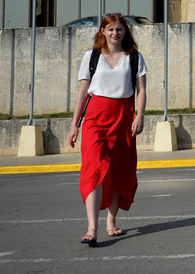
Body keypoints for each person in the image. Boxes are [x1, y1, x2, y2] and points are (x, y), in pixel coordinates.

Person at [68, 13, 147, 247]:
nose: (115, 33)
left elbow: (141, 90)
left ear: (125, 32)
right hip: (95, 117)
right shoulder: (91, 57)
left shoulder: (134, 57)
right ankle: (92, 228)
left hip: (123, 117)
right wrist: (75, 124)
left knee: (118, 170)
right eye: (110, 29)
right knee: (93, 168)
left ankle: (111, 222)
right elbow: (83, 92)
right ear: (102, 31)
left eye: (119, 29)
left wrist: (139, 116)